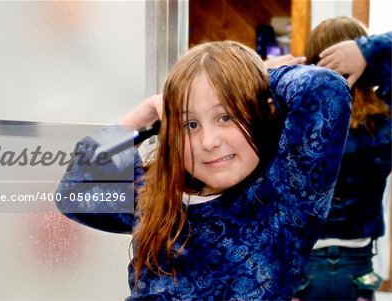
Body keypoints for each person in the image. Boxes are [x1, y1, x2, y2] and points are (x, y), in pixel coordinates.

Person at [56, 40, 352, 300]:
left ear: (263, 113)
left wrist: (252, 77)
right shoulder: (156, 195)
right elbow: (73, 193)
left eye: (225, 116)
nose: (209, 142)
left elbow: (325, 90)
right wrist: (139, 117)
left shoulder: (285, 196)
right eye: (190, 124)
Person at [293, 17, 391, 301]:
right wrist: (366, 50)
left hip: (304, 262)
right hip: (358, 261)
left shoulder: (295, 121)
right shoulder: (383, 123)